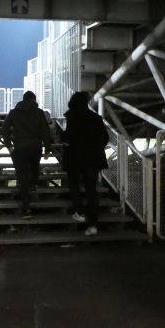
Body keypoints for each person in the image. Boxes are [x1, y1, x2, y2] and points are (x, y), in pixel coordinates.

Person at [61, 91, 109, 236]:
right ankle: (93, 225)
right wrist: (95, 147)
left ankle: (80, 212)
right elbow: (105, 137)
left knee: (74, 184)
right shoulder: (95, 118)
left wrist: (64, 139)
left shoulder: (72, 116)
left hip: (75, 159)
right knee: (91, 191)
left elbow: (69, 136)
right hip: (93, 160)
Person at [2, 91, 52, 219]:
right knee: (35, 167)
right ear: (33, 100)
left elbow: (5, 128)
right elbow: (45, 131)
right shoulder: (39, 112)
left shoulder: (13, 112)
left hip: (19, 149)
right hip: (35, 148)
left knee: (22, 176)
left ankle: (26, 208)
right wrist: (47, 148)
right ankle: (33, 185)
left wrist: (9, 145)